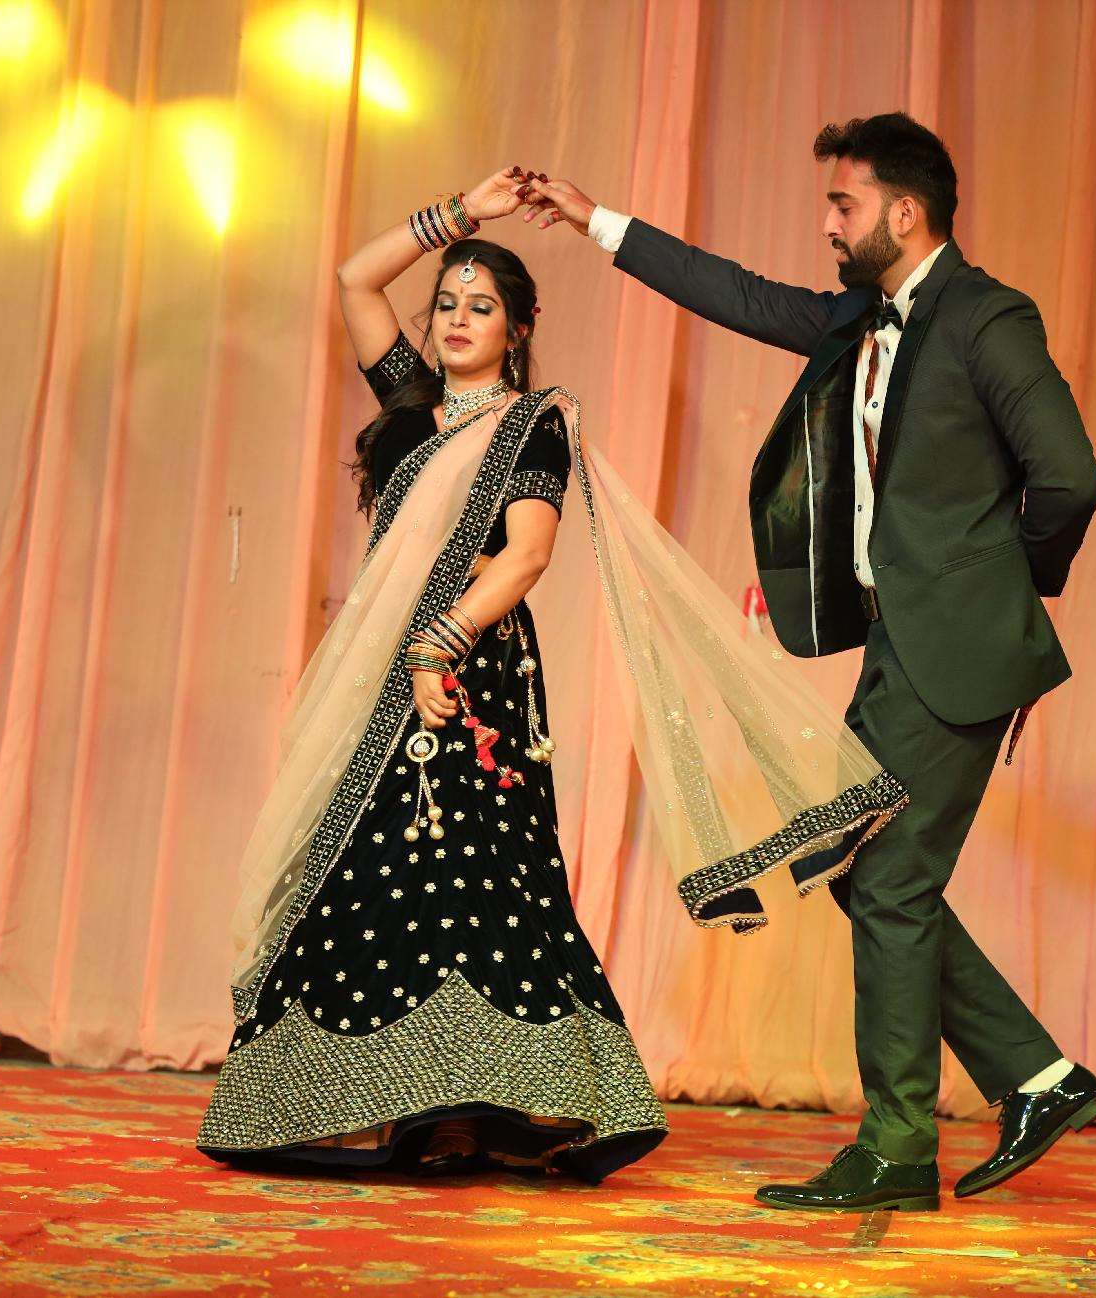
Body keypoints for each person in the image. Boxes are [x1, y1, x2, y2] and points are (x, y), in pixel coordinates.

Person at [196, 168, 908, 1183]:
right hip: (383, 672)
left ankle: (483, 1108)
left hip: (475, 670)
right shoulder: (410, 406)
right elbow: (355, 278)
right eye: (446, 302)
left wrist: (440, 643)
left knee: (475, 875)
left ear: (518, 329)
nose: (455, 319)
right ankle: (358, 1099)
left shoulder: (531, 423)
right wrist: (462, 214)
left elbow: (526, 555)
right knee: (369, 871)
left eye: (481, 306)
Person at [520, 113, 1096, 1212]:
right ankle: (1035, 1078)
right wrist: (597, 221)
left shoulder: (987, 317)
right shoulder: (856, 317)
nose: (828, 224)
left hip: (956, 647)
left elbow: (1068, 478)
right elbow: (737, 295)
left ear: (904, 210)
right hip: (897, 647)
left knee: (886, 880)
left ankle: (901, 1144)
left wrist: (996, 596)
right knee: (867, 873)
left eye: (844, 204)